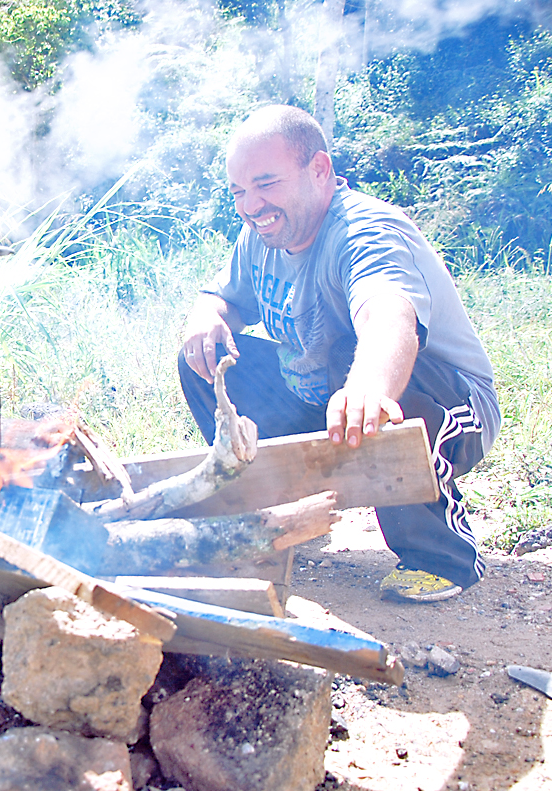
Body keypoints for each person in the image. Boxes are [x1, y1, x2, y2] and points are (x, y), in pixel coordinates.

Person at [179, 105, 500, 603]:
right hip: (324, 399)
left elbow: (390, 319)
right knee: (204, 359)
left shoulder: (364, 231)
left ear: (320, 170)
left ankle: (442, 556)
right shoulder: (263, 234)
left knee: (354, 356)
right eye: (239, 191)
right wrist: (207, 314)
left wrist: (369, 387)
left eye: (266, 183)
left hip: (447, 404)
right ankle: (280, 512)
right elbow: (224, 298)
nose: (250, 205)